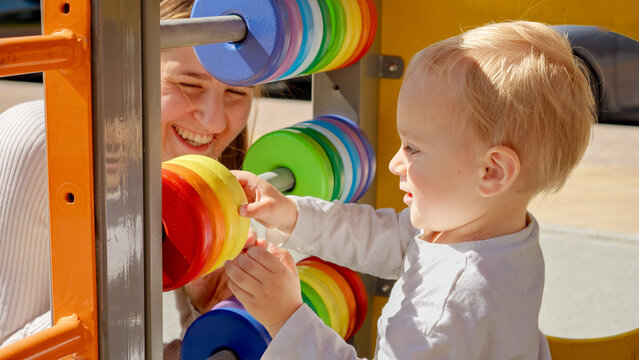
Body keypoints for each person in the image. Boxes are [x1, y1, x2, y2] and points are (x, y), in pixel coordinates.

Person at [225, 21, 596, 359]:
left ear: (492, 171)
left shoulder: (441, 313)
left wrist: (286, 318)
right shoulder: (501, 236)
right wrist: (292, 214)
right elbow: (390, 237)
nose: (394, 164)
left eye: (413, 148)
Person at [0, 0, 258, 350]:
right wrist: (122, 280)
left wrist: (207, 304)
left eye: (237, 92)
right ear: (125, 68)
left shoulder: (209, 173)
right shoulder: (38, 142)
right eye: (188, 84)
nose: (214, 122)